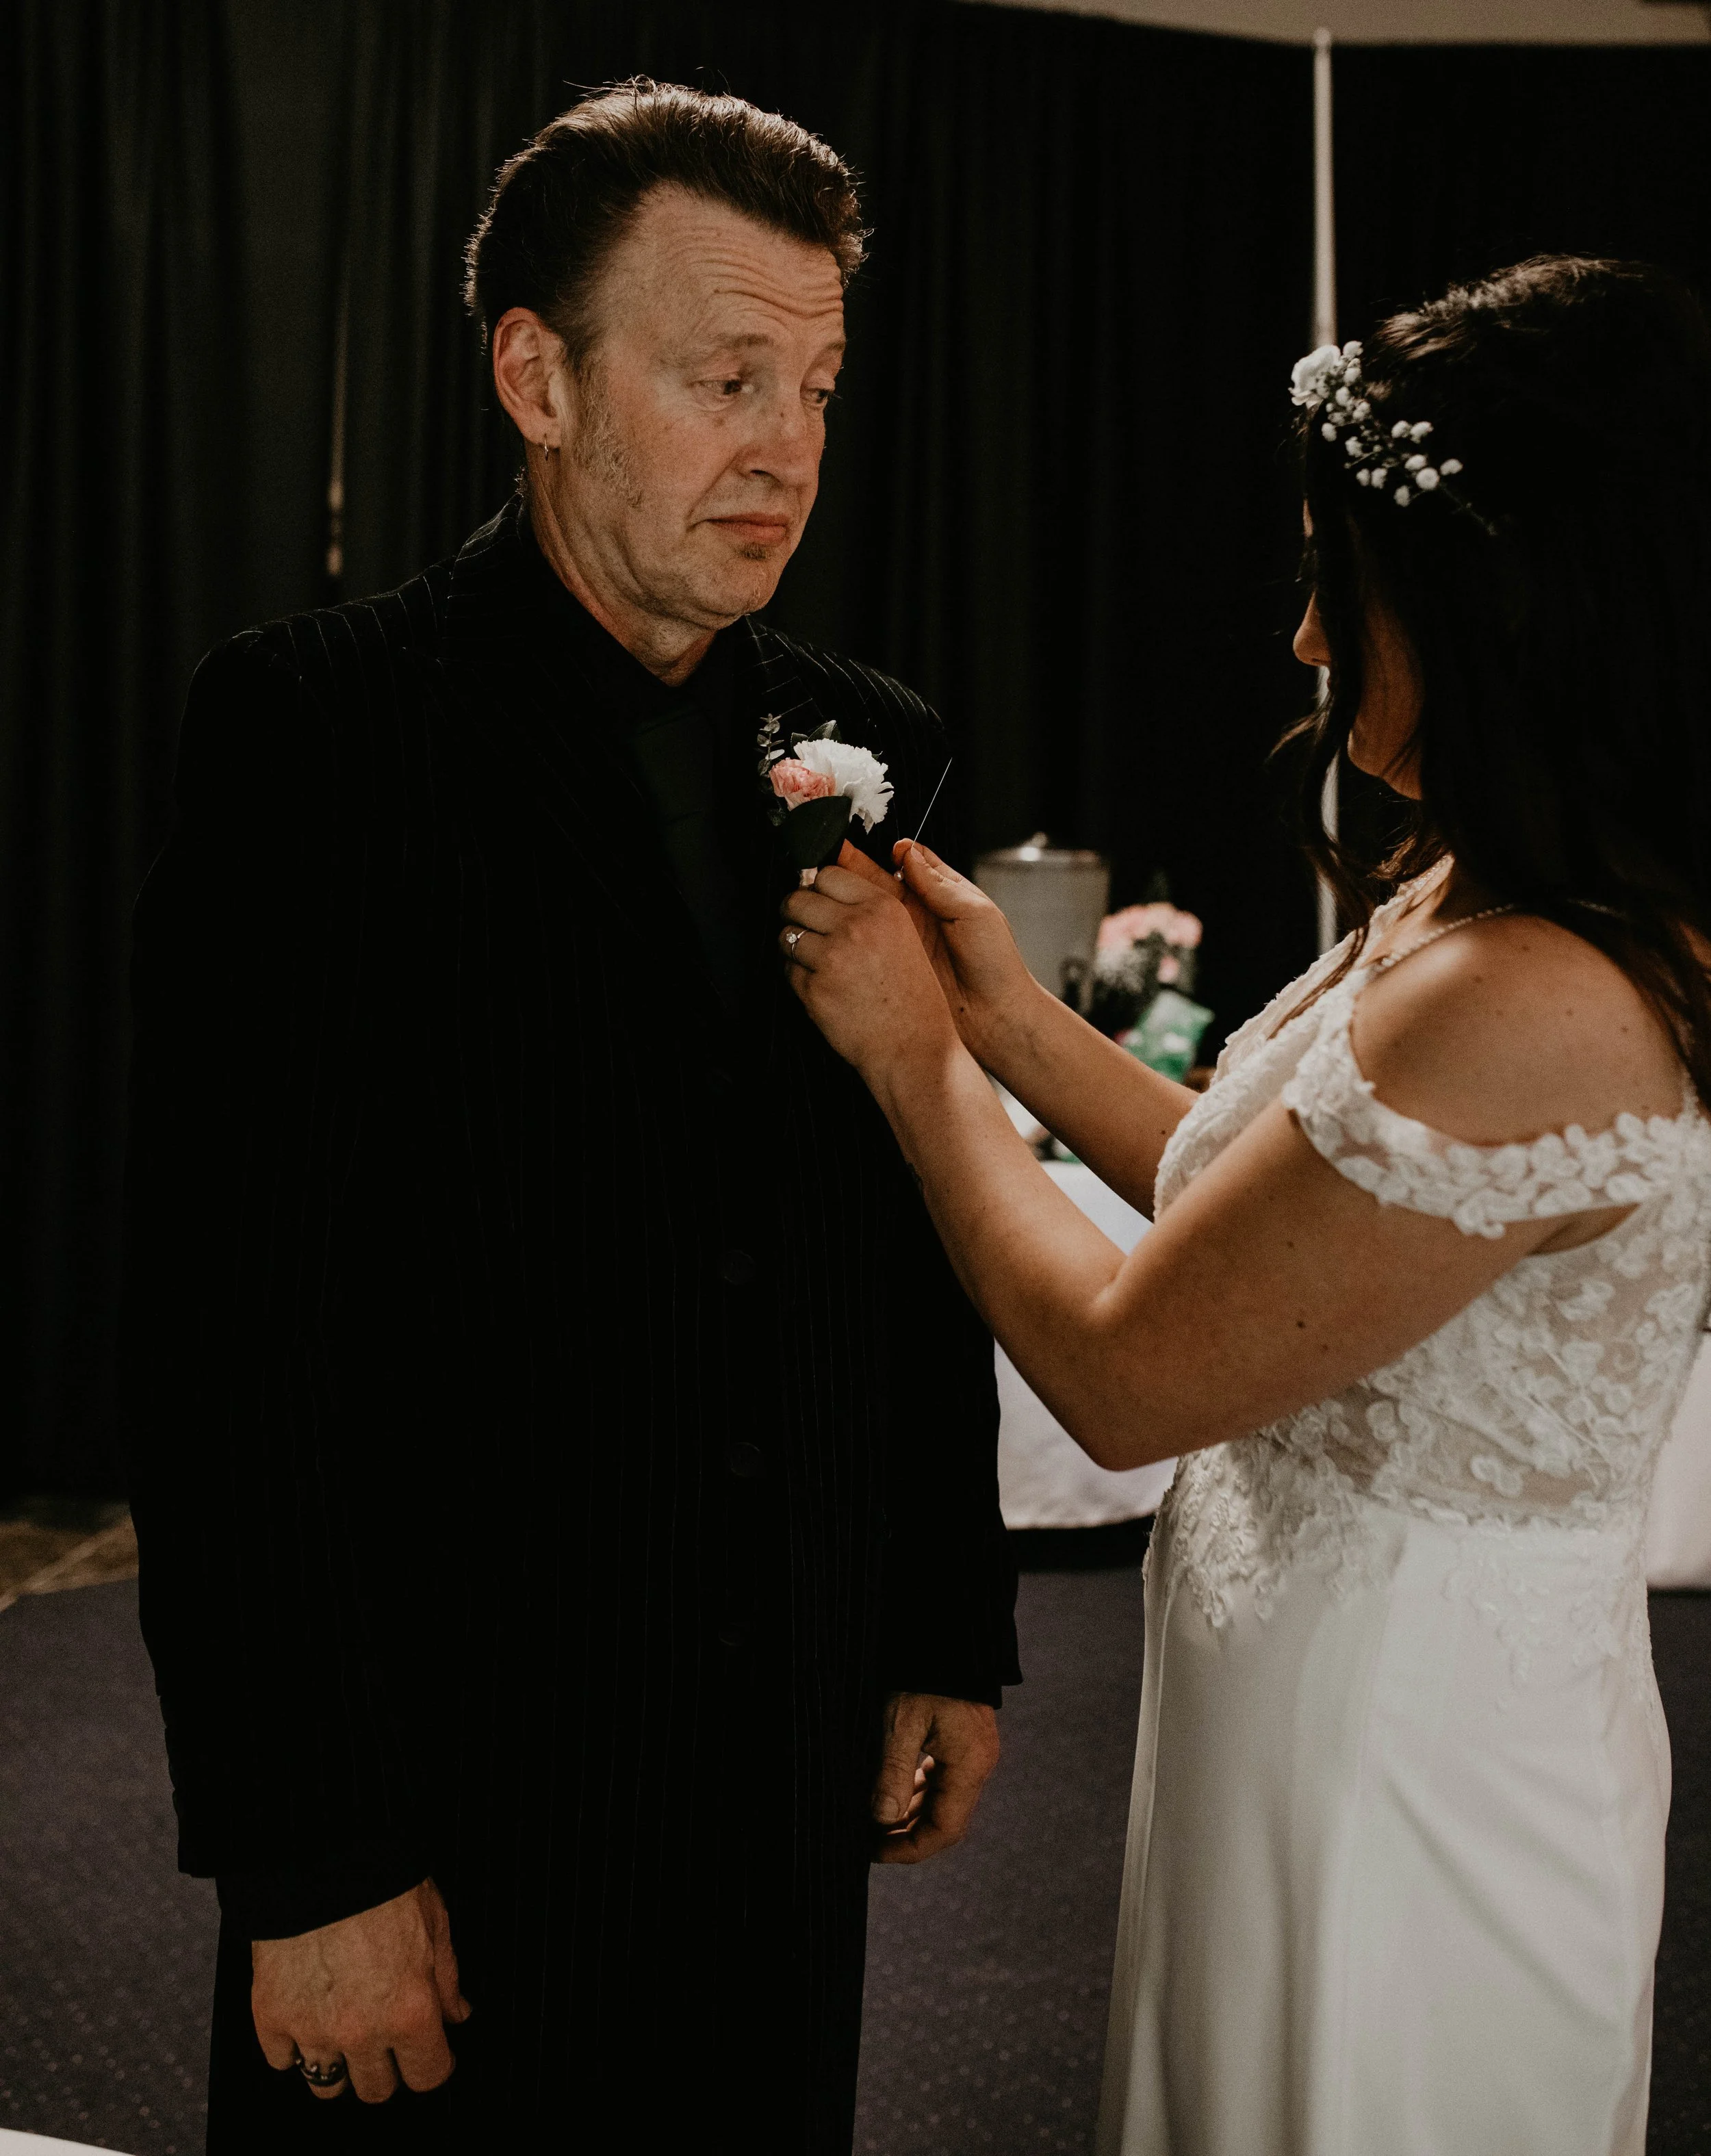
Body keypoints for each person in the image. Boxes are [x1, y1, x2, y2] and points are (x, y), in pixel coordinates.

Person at [123, 82, 1017, 2154]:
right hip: (448, 1783)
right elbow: (220, 1339)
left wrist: (938, 1620)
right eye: (723, 378)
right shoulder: (316, 733)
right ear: (537, 373)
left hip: (782, 1774)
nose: (786, 444)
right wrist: (308, 1854)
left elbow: (901, 1223)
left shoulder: (864, 742)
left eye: (815, 382)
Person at [779, 255, 1711, 2155]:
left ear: (1496, 608)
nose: (1302, 635)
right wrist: (1006, 1010)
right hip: (1302, 1698)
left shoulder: (1541, 992)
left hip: (1414, 1760)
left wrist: (912, 1066)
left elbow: (1132, 1372)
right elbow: (1258, 1210)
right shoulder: (1479, 883)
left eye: (1336, 580)